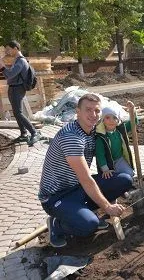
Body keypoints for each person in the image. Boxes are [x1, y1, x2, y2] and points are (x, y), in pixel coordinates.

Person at [38, 94, 133, 248]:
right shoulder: (71, 137)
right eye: (88, 110)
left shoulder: (93, 130)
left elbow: (118, 128)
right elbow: (86, 179)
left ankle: (83, 211)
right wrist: (107, 207)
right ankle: (57, 225)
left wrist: (130, 113)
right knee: (89, 226)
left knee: (124, 179)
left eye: (97, 110)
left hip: (77, 188)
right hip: (56, 196)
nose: (93, 114)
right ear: (78, 112)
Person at [0, 41, 40, 146]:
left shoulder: (21, 61)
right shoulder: (17, 61)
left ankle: (34, 132)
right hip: (13, 88)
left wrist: (2, 65)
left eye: (8, 49)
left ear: (16, 49)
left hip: (18, 89)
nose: (7, 52)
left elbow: (9, 75)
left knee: (18, 113)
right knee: (17, 112)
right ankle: (23, 134)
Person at [95, 101, 137, 178]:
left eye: (114, 118)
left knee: (130, 173)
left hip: (119, 159)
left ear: (118, 121)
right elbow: (100, 154)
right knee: (110, 177)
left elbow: (133, 123)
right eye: (107, 118)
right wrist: (105, 169)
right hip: (107, 163)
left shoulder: (121, 130)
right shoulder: (101, 137)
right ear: (103, 120)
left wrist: (132, 111)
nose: (111, 120)